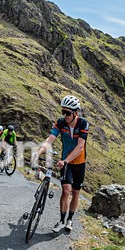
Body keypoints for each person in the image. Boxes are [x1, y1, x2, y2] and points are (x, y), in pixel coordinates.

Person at [36, 95, 89, 233]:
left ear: (75, 113)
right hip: (66, 162)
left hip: (79, 162)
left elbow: (80, 147)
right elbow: (50, 139)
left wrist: (65, 160)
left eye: (68, 112)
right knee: (66, 191)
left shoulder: (83, 124)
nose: (65, 115)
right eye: (63, 111)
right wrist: (39, 151)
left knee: (76, 193)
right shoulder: (60, 122)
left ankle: (70, 219)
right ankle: (61, 220)